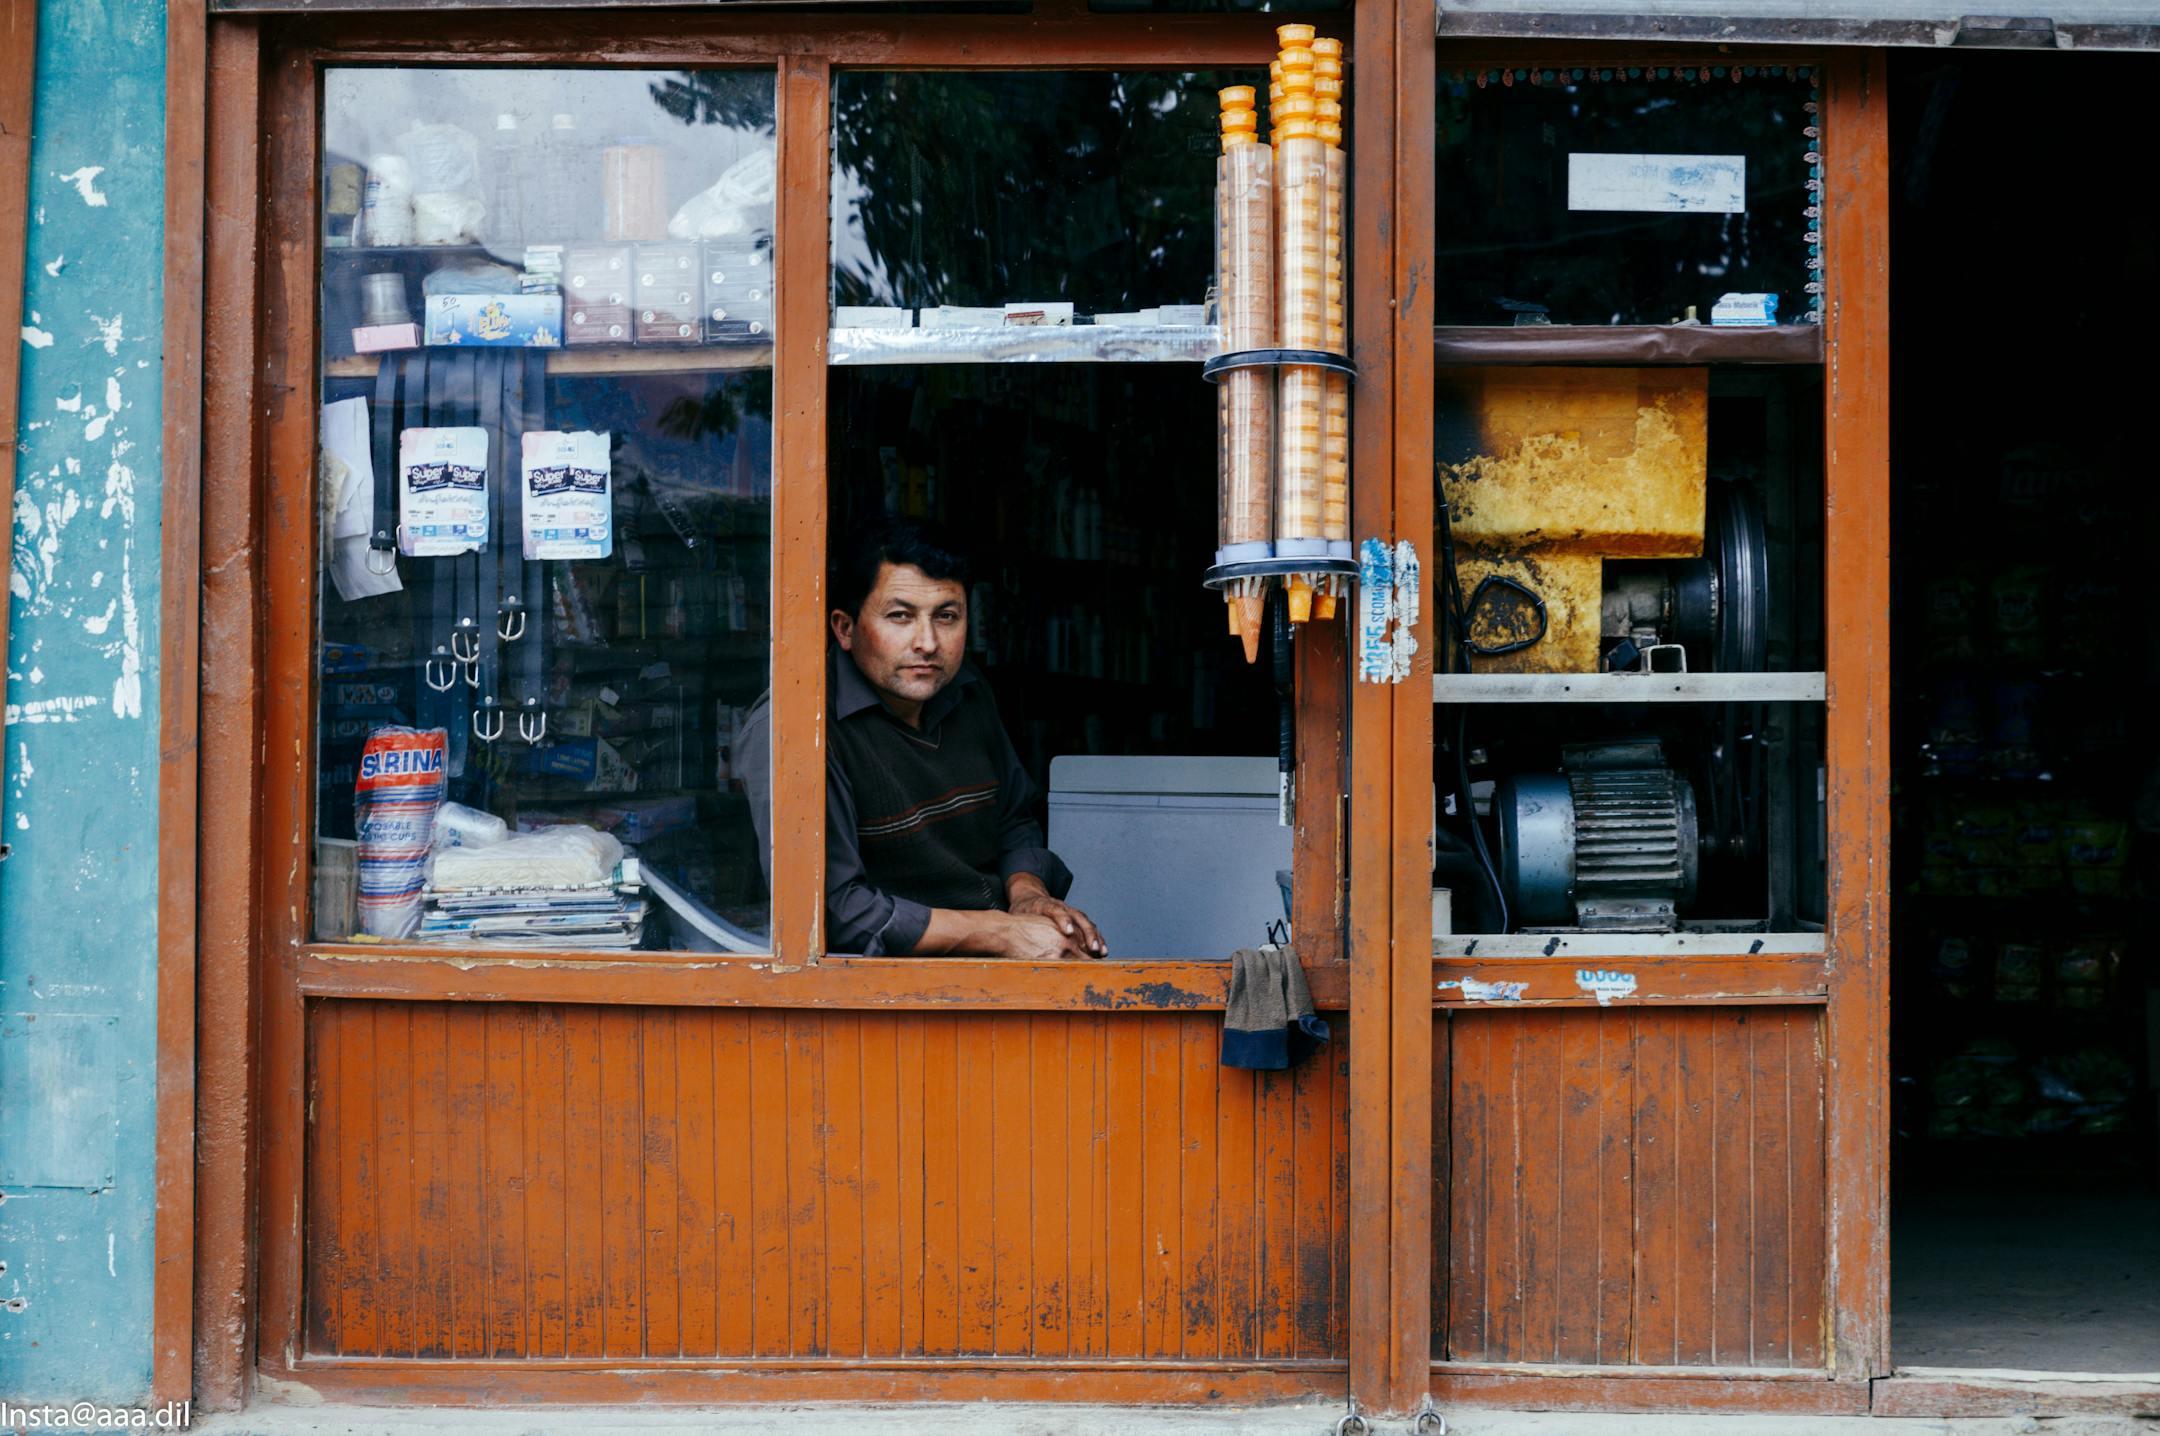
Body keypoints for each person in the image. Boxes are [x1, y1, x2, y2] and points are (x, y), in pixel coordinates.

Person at [737, 516, 1108, 959]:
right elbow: (836, 910)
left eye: (946, 617)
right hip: (874, 994)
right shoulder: (796, 728)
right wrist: (1001, 933)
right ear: (845, 628)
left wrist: (1026, 894)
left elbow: (1013, 819)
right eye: (900, 616)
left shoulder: (966, 691)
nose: (928, 643)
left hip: (997, 958)